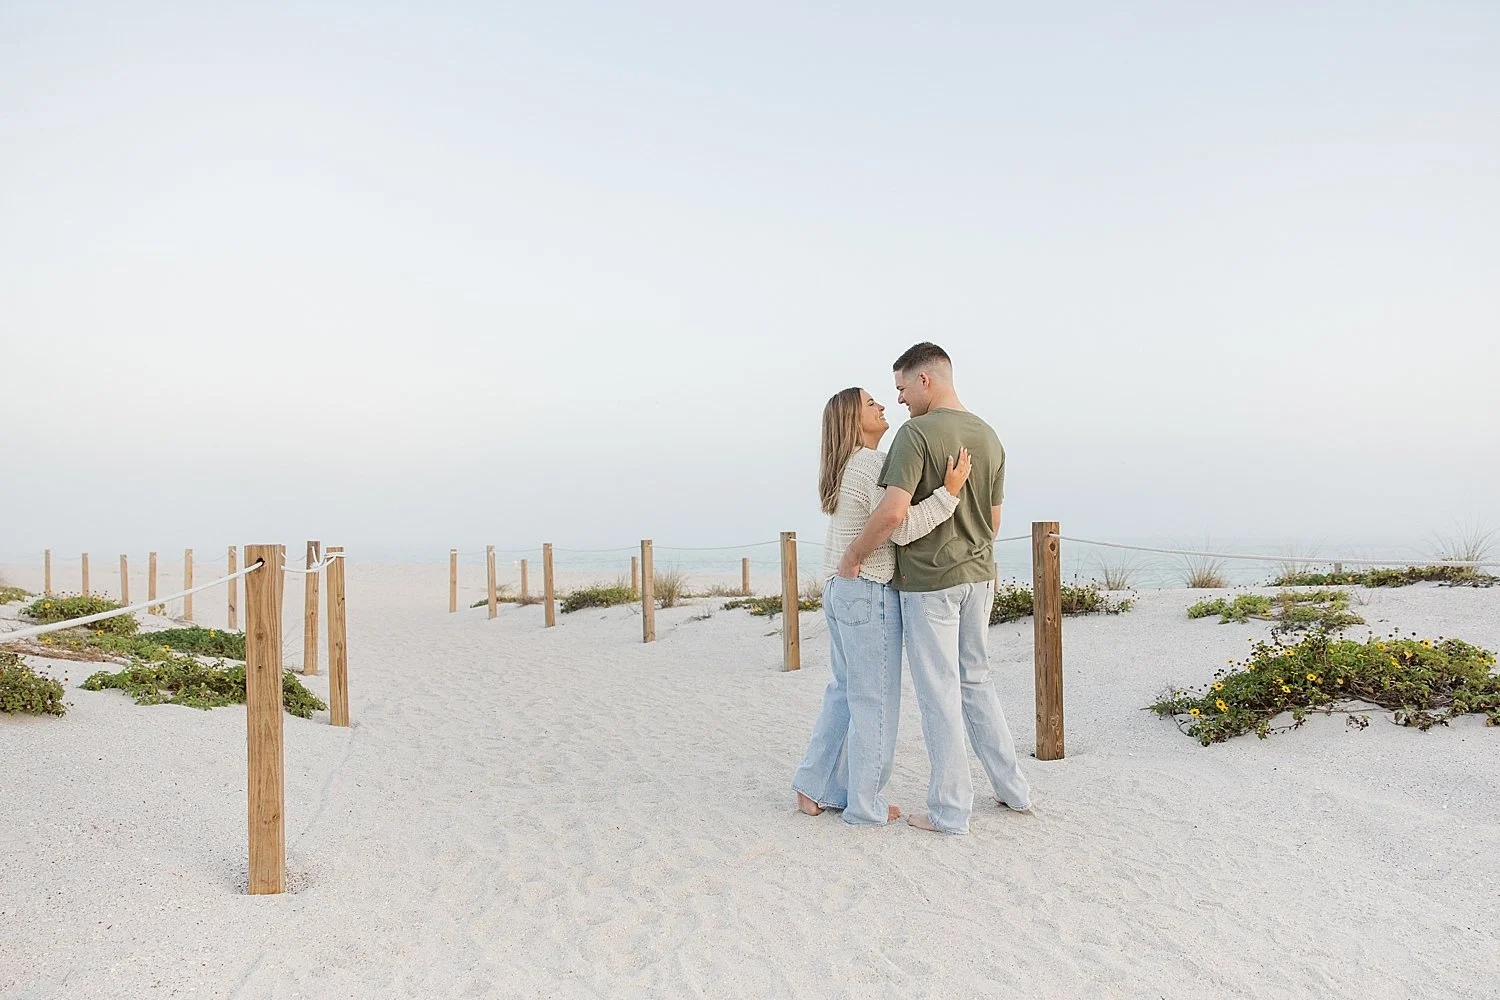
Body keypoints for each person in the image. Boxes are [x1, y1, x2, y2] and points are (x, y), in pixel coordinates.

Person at [836, 343, 1031, 834]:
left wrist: (855, 556)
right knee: (976, 682)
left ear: (926, 379)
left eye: (901, 388)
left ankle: (950, 812)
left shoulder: (915, 434)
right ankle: (1013, 790)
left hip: (929, 584)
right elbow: (995, 519)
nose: (898, 399)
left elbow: (893, 512)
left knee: (939, 693)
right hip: (980, 577)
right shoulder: (988, 435)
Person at [791, 386, 971, 826]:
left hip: (840, 589)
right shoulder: (870, 463)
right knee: (875, 701)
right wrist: (948, 494)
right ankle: (865, 806)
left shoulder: (845, 466)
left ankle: (813, 788)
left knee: (844, 693)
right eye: (872, 403)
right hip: (867, 589)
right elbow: (899, 526)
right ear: (855, 419)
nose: (883, 406)